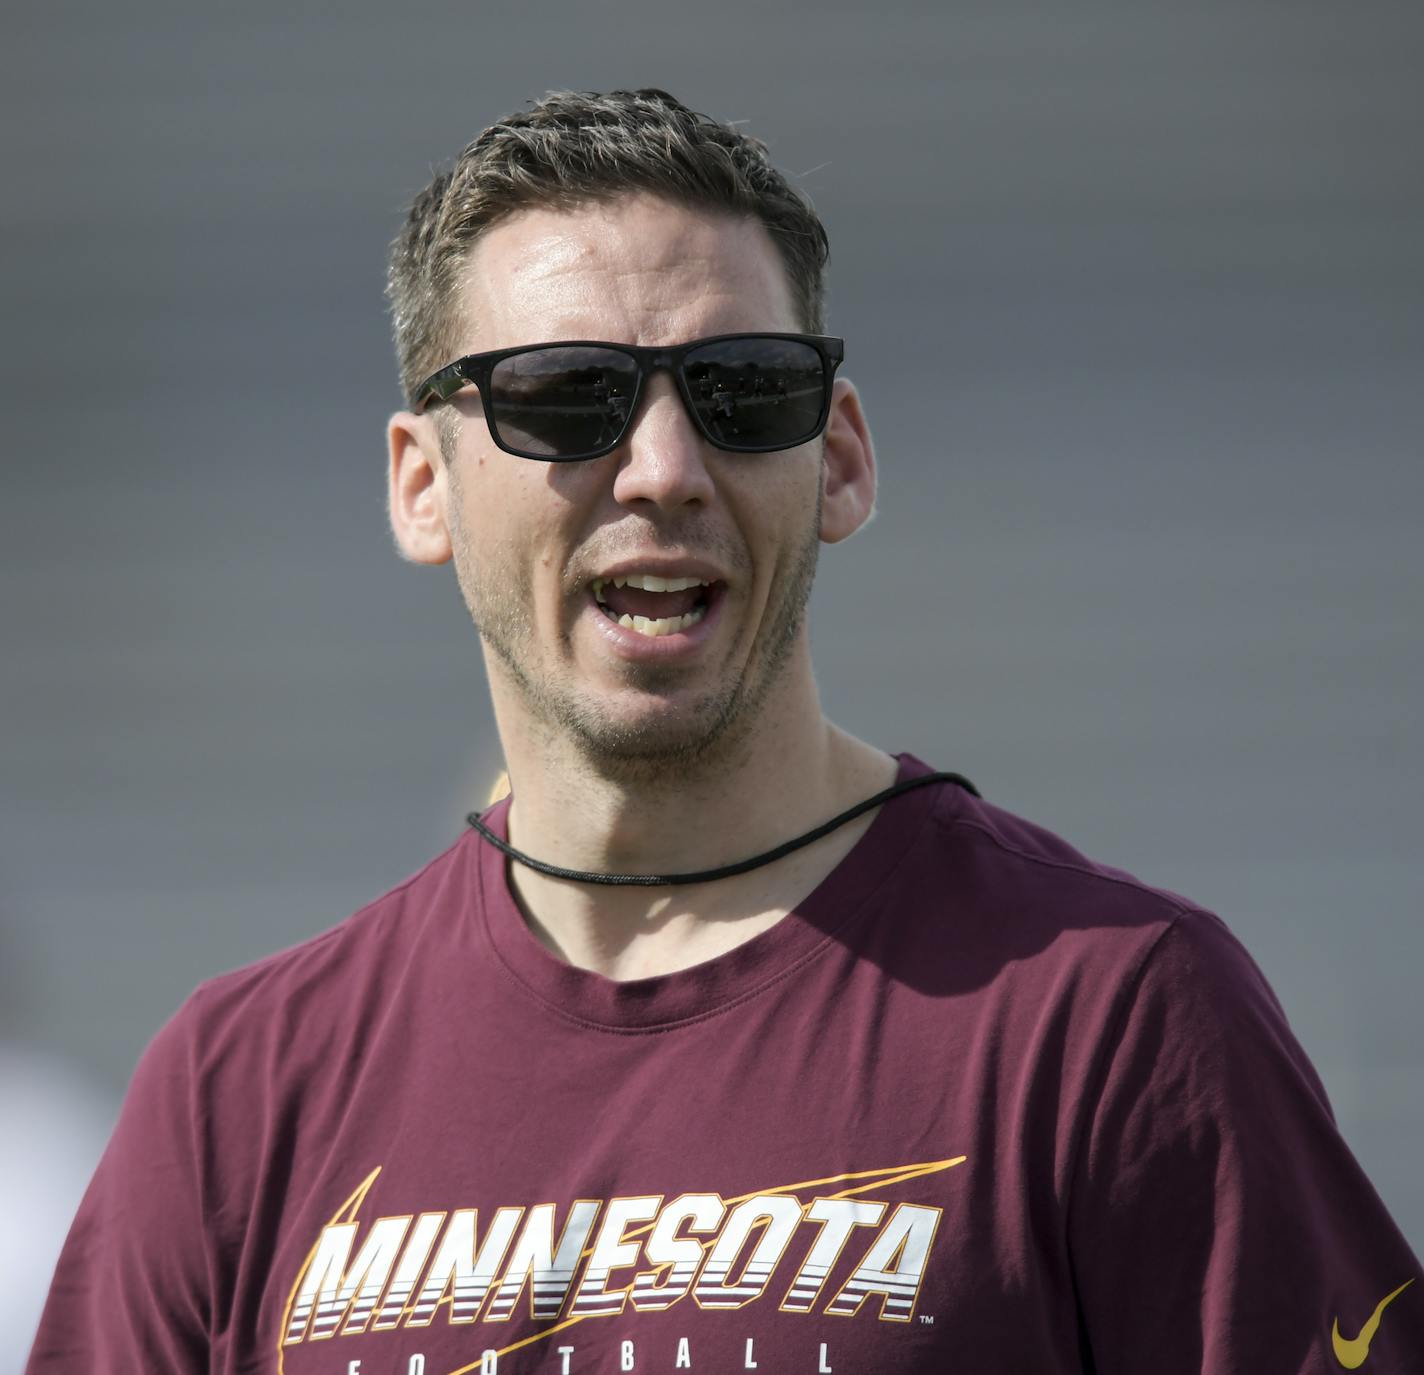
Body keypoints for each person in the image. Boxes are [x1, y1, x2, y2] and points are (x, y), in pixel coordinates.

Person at [27, 88, 1420, 1375]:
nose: (663, 468)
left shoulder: (1114, 1019)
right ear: (420, 485)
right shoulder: (237, 1092)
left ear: (842, 458)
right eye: (561, 396)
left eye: (743, 388)